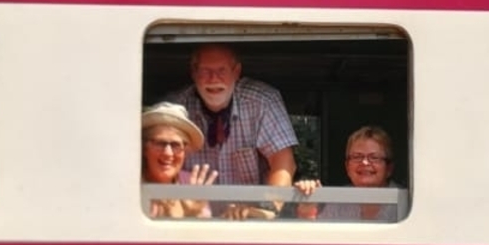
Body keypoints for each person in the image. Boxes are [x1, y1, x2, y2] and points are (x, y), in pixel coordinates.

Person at [168, 43, 297, 218]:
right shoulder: (176, 109)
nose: (214, 79)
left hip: (250, 222)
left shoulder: (262, 101)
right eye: (205, 70)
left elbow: (283, 162)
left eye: (222, 70)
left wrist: (267, 209)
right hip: (193, 221)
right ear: (193, 73)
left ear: (236, 72)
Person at [294, 126, 403, 223]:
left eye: (374, 157)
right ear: (347, 167)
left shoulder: (404, 202)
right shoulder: (339, 202)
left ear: (389, 168)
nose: (365, 162)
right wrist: (307, 211)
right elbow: (321, 236)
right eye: (357, 157)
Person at [140, 102, 216, 218]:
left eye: (175, 145)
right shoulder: (130, 185)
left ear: (185, 151)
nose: (168, 153)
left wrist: (193, 215)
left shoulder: (191, 184)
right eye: (160, 143)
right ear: (144, 148)